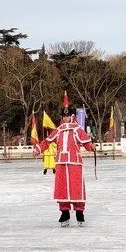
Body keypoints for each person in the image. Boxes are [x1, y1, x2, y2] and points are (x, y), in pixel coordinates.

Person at [34, 95, 94, 225]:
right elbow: (47, 141)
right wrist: (38, 149)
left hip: (74, 162)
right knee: (62, 188)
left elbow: (87, 144)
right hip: (60, 162)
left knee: (76, 187)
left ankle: (79, 212)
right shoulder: (58, 131)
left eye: (68, 115)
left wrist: (92, 146)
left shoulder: (78, 130)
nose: (66, 118)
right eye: (64, 116)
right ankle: (64, 213)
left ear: (72, 116)